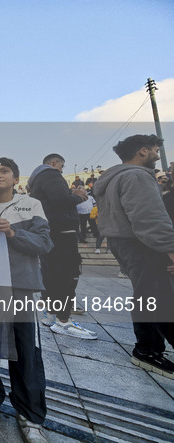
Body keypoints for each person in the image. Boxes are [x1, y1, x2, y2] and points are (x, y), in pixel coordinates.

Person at [0, 158, 52, 442]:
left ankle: (29, 414)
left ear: (16, 178)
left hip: (20, 288)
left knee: (26, 350)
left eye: (3, 171)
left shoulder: (31, 205)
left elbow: (44, 243)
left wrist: (14, 233)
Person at [94, 134, 174, 378]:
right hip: (142, 243)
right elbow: (149, 218)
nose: (158, 155)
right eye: (155, 150)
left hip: (123, 242)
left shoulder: (114, 177)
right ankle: (147, 351)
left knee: (148, 294)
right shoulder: (136, 176)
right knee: (158, 296)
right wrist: (171, 249)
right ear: (142, 151)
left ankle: (148, 349)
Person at [27, 154, 97, 339]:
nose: (62, 170)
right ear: (54, 163)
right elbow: (61, 200)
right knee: (67, 275)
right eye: (62, 166)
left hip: (50, 232)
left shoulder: (36, 180)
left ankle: (51, 315)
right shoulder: (51, 175)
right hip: (62, 233)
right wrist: (77, 196)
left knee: (52, 274)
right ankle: (63, 321)